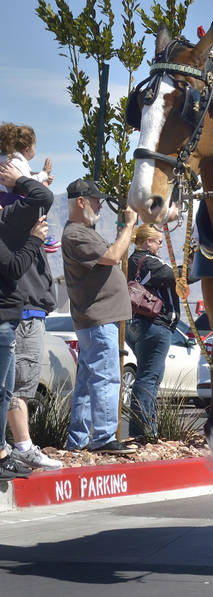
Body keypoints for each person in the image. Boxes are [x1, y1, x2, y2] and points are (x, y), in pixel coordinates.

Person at [62, 178, 138, 454]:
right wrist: (129, 225)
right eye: (95, 201)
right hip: (98, 320)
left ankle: (78, 440)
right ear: (81, 201)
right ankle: (104, 438)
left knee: (86, 383)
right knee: (107, 377)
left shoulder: (84, 231)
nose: (100, 206)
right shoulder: (76, 235)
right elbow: (113, 256)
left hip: (95, 320)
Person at [7, 158, 62, 471]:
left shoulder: (23, 215)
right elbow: (41, 197)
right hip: (24, 311)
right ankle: (22, 447)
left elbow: (41, 198)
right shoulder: (14, 214)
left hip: (31, 309)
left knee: (20, 386)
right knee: (19, 386)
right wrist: (28, 181)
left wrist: (35, 178)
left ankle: (21, 446)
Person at [0, 162, 51, 479]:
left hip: (7, 318)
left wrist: (29, 179)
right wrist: (34, 238)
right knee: (3, 391)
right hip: (4, 320)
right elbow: (15, 267)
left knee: (5, 392)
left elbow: (41, 194)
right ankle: (5, 452)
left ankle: (4, 452)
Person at [125, 224, 179, 440]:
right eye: (158, 242)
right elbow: (176, 275)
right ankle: (143, 433)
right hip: (154, 324)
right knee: (148, 379)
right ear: (148, 241)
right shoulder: (147, 261)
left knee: (149, 378)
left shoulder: (133, 261)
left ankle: (146, 429)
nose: (160, 246)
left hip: (141, 324)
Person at [0, 123, 59, 253]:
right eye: (35, 147)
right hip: (9, 198)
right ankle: (39, 236)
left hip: (4, 198)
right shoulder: (17, 162)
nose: (35, 150)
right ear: (27, 149)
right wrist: (43, 174)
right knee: (36, 202)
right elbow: (26, 183)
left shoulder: (5, 158)